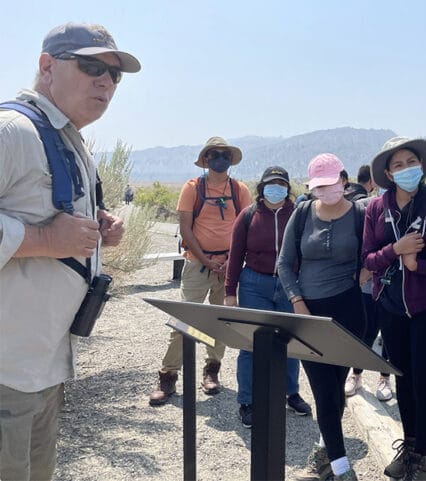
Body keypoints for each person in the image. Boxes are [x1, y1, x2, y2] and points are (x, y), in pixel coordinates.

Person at [0, 22, 138, 481]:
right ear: (46, 66)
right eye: (91, 66)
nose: (105, 81)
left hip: (43, 367)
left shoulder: (68, 141)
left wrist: (100, 230)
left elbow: (52, 215)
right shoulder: (12, 130)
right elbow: (46, 233)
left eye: (114, 75)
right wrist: (43, 241)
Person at [362, 137, 426, 480]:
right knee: (402, 380)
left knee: (424, 384)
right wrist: (395, 250)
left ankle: (421, 459)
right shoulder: (375, 209)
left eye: (410, 162)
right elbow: (368, 259)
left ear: (422, 166)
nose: (405, 169)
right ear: (387, 172)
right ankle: (409, 447)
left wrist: (419, 267)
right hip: (391, 307)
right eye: (397, 165)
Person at [277, 153, 366, 481]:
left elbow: (373, 252)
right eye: (319, 187)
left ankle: (326, 459)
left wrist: (368, 270)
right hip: (308, 314)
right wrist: (297, 300)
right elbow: (284, 263)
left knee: (333, 389)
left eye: (331, 184)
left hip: (348, 312)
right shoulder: (301, 214)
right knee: (322, 389)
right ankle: (340, 467)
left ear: (343, 180)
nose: (325, 192)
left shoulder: (360, 213)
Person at [149, 136, 251, 405]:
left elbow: (246, 228)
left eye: (225, 154)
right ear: (205, 160)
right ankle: (168, 376)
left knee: (221, 320)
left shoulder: (239, 190)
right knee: (185, 320)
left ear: (231, 160)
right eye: (215, 154)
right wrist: (206, 260)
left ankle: (212, 371)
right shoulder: (192, 188)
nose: (220, 158)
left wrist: (231, 260)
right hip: (197, 264)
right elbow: (185, 228)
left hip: (228, 266)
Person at [224, 166, 312, 428]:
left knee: (290, 342)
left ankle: (290, 393)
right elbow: (236, 253)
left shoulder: (298, 214)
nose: (277, 189)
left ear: (288, 188)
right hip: (254, 284)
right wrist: (230, 292)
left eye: (282, 184)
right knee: (251, 344)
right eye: (271, 184)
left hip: (289, 285)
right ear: (262, 188)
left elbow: (306, 251)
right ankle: (247, 400)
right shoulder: (248, 215)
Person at [344, 163, 393, 402]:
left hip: (395, 284)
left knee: (390, 335)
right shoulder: (365, 206)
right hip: (368, 283)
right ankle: (356, 374)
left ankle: (384, 379)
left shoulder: (409, 207)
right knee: (365, 331)